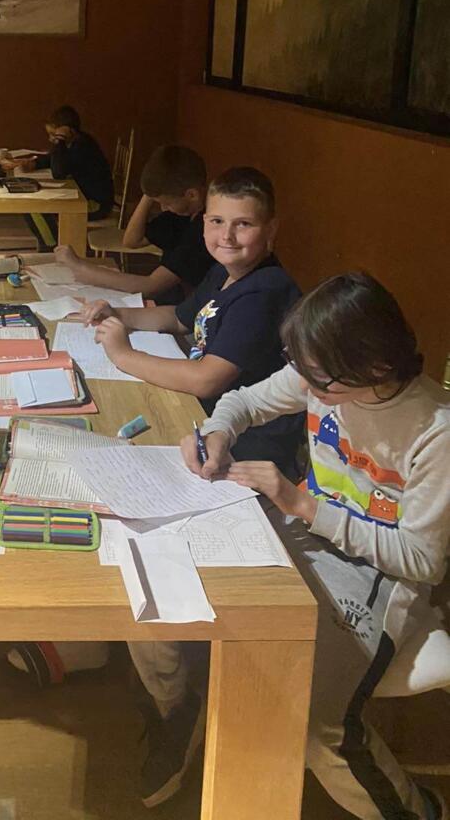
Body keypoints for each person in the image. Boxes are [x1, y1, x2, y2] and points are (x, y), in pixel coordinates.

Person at [132, 273, 450, 819]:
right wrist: (218, 433)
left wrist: (303, 505)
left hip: (379, 573)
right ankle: (183, 710)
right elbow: (244, 400)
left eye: (319, 380)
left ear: (375, 367)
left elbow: (421, 561)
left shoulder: (435, 430)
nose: (306, 387)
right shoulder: (319, 374)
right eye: (300, 369)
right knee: (155, 581)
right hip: (302, 529)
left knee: (313, 723)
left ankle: (417, 810)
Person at [81, 166, 305, 474]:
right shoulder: (225, 271)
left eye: (243, 224)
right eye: (217, 221)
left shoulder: (264, 292)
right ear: (204, 223)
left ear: (271, 229)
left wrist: (123, 355)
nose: (226, 236)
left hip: (245, 443)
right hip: (205, 416)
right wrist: (117, 313)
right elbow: (179, 317)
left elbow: (206, 380)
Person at [54, 145, 212, 304]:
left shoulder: (204, 229)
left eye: (167, 203)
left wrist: (80, 267)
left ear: (192, 195)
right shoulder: (181, 215)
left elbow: (151, 286)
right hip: (172, 298)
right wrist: (149, 194)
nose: (164, 208)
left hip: (188, 305)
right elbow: (132, 240)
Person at [8, 106, 113, 249]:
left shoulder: (83, 146)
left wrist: (60, 140)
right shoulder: (74, 142)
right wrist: (34, 163)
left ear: (68, 131)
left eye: (54, 134)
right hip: (83, 196)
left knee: (35, 206)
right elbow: (53, 158)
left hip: (95, 204)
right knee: (32, 204)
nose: (51, 139)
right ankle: (52, 243)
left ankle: (52, 246)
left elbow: (59, 172)